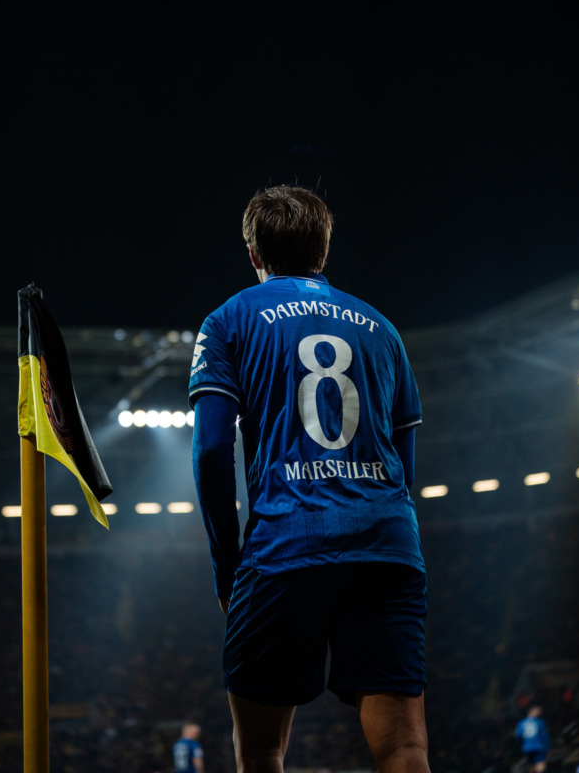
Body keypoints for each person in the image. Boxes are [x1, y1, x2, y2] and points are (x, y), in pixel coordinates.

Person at [189, 185, 430, 773]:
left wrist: (227, 566)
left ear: (253, 253)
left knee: (263, 752)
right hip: (386, 546)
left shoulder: (228, 320)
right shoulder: (383, 329)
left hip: (285, 545)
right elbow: (404, 464)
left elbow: (213, 449)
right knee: (405, 750)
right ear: (325, 248)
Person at [515, 705, 551, 772]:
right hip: (538, 747)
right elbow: (544, 736)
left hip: (527, 748)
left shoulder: (521, 723)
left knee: (531, 765)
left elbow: (518, 736)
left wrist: (522, 745)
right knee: (540, 765)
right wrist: (547, 748)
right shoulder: (539, 722)